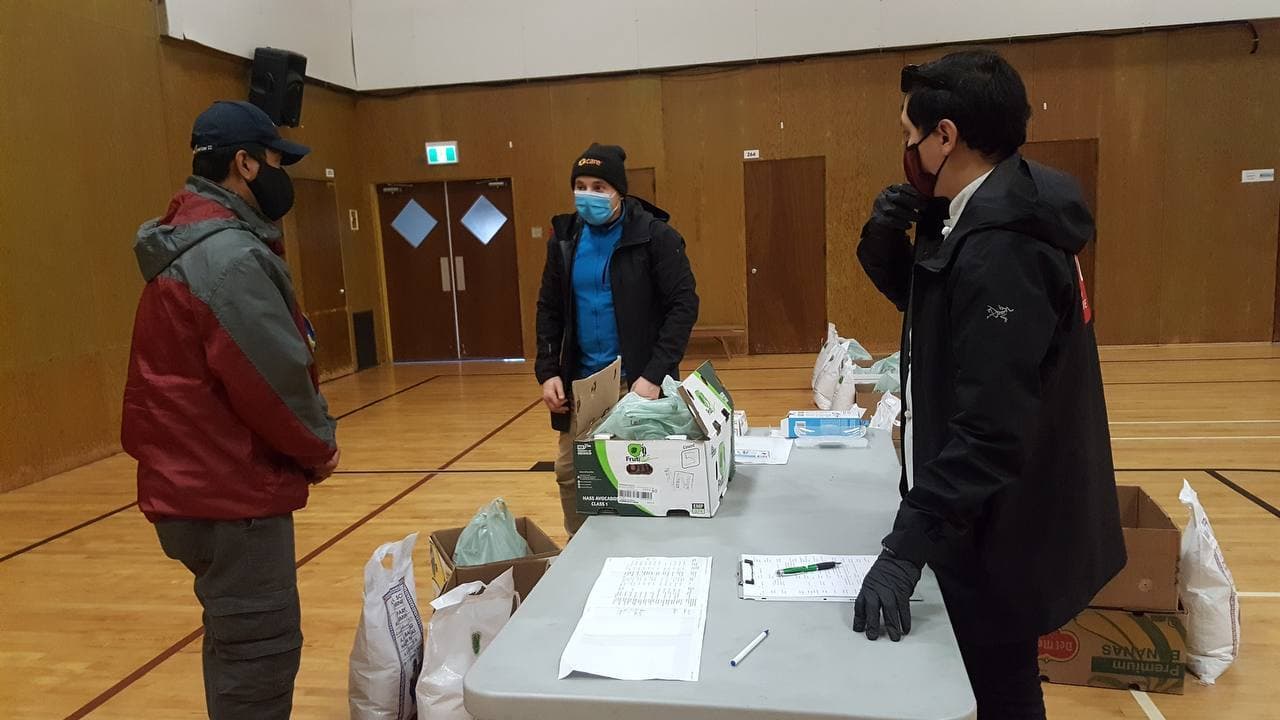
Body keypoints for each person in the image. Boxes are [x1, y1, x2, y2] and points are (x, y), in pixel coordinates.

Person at [852, 51, 1125, 719]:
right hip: (981, 513)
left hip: (1004, 524)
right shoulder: (982, 213)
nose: (906, 150)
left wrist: (903, 549)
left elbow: (992, 431)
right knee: (989, 678)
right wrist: (887, 241)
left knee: (998, 685)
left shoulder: (1005, 247)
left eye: (909, 135)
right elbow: (936, 317)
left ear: (945, 136)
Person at [121, 100, 340, 720]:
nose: (280, 175)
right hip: (231, 493)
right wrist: (319, 446)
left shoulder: (192, 243)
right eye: (275, 161)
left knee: (234, 643)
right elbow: (272, 383)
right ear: (244, 164)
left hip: (193, 485)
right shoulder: (230, 259)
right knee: (259, 658)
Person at [535, 143, 699, 536]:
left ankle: (642, 557)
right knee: (573, 477)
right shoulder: (565, 240)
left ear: (619, 192)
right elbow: (549, 309)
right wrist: (547, 371)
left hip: (637, 384)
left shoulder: (655, 237)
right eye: (580, 185)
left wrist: (654, 375)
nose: (587, 194)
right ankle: (581, 554)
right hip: (579, 385)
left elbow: (683, 306)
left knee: (638, 478)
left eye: (598, 186)